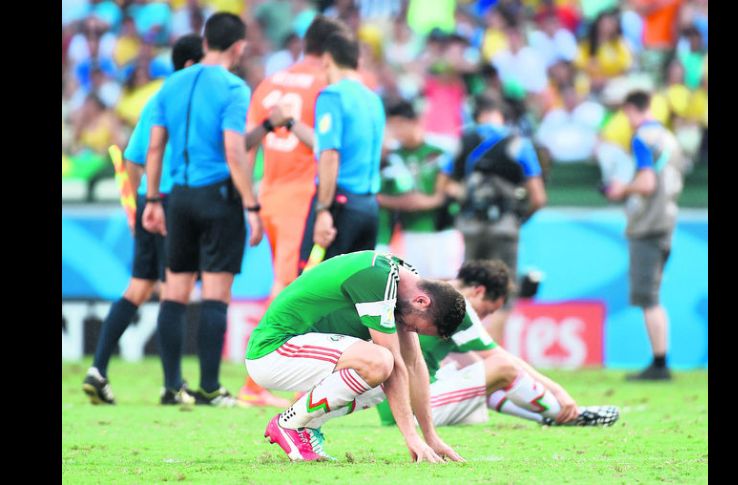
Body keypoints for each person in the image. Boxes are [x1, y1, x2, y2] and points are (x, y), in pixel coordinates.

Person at [142, 12, 262, 406]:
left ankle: (171, 385)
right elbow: (233, 148)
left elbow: (155, 146)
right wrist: (251, 204)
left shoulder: (170, 84)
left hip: (178, 197)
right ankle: (209, 387)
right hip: (218, 198)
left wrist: (155, 199)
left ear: (206, 39)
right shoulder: (233, 87)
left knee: (174, 291)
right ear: (239, 46)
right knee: (216, 292)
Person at [245, 250, 467, 462]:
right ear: (422, 301)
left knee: (385, 380)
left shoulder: (404, 285)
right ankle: (290, 425)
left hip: (300, 352)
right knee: (380, 362)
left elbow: (415, 364)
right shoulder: (376, 278)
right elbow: (394, 363)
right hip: (273, 351)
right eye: (417, 329)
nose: (410, 332)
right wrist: (412, 438)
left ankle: (304, 426)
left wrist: (431, 438)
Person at [82, 34, 204, 406]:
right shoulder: (189, 100)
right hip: (174, 203)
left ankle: (98, 370)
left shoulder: (157, 99)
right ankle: (172, 386)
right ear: (191, 65)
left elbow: (134, 157)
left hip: (150, 201)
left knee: (138, 286)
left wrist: (141, 204)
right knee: (173, 290)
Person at [237, 14, 350, 406]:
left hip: (269, 195)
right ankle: (256, 383)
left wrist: (249, 204)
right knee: (291, 289)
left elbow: (246, 144)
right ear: (332, 50)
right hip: (302, 199)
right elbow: (327, 146)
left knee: (290, 285)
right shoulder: (325, 85)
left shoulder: (270, 82)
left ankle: (294, 379)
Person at [373, 259, 620, 427]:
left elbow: (479, 369)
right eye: (488, 311)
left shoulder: (429, 292)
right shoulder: (458, 306)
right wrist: (558, 390)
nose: (485, 318)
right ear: (478, 291)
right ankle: (569, 416)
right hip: (409, 409)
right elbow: (501, 361)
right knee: (503, 367)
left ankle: (550, 417)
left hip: (392, 405)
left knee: (483, 384)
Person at [448, 93, 547, 344]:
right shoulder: (518, 144)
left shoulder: (463, 140)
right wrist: (518, 218)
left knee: (468, 287)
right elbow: (538, 197)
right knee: (503, 291)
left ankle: (465, 350)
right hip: (505, 227)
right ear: (503, 116)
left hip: (471, 226)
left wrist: (467, 200)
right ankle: (494, 352)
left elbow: (444, 186)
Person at [604, 90, 685, 381]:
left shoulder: (642, 138)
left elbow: (647, 183)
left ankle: (660, 363)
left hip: (648, 224)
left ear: (630, 110)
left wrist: (621, 189)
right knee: (654, 294)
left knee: (648, 297)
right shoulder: (670, 138)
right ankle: (660, 361)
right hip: (668, 219)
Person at [297, 33, 386, 269]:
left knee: (311, 287)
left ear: (327, 60)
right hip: (368, 208)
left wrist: (324, 210)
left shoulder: (333, 96)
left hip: (339, 208)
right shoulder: (373, 99)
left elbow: (329, 154)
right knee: (354, 294)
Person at [377, 98, 464, 280]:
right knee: (416, 287)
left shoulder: (439, 153)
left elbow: (452, 189)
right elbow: (382, 194)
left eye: (399, 125)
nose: (396, 131)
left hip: (442, 231)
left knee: (447, 286)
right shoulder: (392, 157)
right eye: (391, 126)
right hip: (410, 232)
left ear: (414, 122)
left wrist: (431, 200)